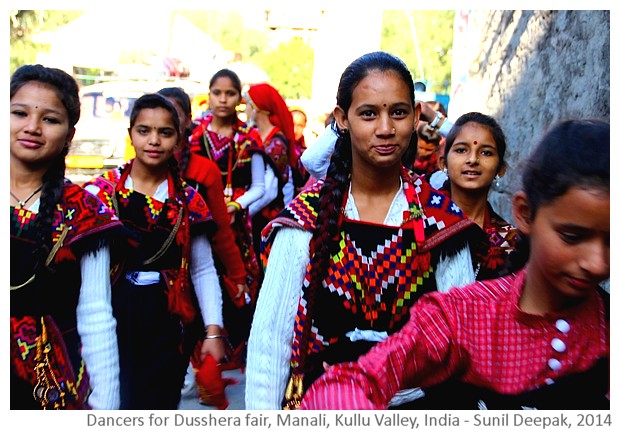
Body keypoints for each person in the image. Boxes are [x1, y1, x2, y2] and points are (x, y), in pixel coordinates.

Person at [301, 118, 610, 410]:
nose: (597, 263)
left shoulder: (602, 319)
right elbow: (355, 382)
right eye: (571, 236)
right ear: (525, 213)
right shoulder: (460, 315)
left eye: (613, 240)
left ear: (500, 167)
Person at [245, 51, 480, 410]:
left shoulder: (441, 220)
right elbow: (270, 342)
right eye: (368, 113)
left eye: (398, 112)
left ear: (416, 117)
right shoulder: (306, 218)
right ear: (342, 119)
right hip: (322, 404)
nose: (385, 128)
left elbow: (465, 341)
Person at [83, 93, 224, 409]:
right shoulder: (100, 194)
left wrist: (214, 330)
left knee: (158, 404)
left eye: (165, 132)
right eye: (144, 130)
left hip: (167, 320)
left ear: (178, 139)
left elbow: (201, 269)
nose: (154, 140)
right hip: (109, 312)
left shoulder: (189, 201)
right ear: (130, 134)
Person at [10, 64, 122, 409]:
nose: (32, 127)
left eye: (50, 119)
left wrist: (105, 409)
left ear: (69, 136)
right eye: (19, 113)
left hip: (47, 381)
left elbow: (96, 315)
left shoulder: (85, 213)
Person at [187, 69, 268, 369]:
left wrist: (234, 205)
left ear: (238, 97)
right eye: (217, 93)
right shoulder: (194, 134)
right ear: (208, 94)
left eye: (229, 93)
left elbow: (260, 187)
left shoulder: (250, 137)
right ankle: (199, 356)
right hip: (197, 221)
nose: (222, 99)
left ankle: (232, 357)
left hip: (237, 228)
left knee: (238, 287)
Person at [438, 112, 523, 281]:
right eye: (461, 150)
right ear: (443, 163)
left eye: (486, 153)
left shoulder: (510, 243)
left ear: (501, 169)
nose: (473, 159)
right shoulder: (417, 221)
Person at [243, 82, 297, 260]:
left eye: (248, 105)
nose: (246, 110)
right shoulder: (255, 137)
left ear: (258, 108)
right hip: (254, 214)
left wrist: (243, 214)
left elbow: (270, 190)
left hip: (265, 219)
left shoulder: (276, 143)